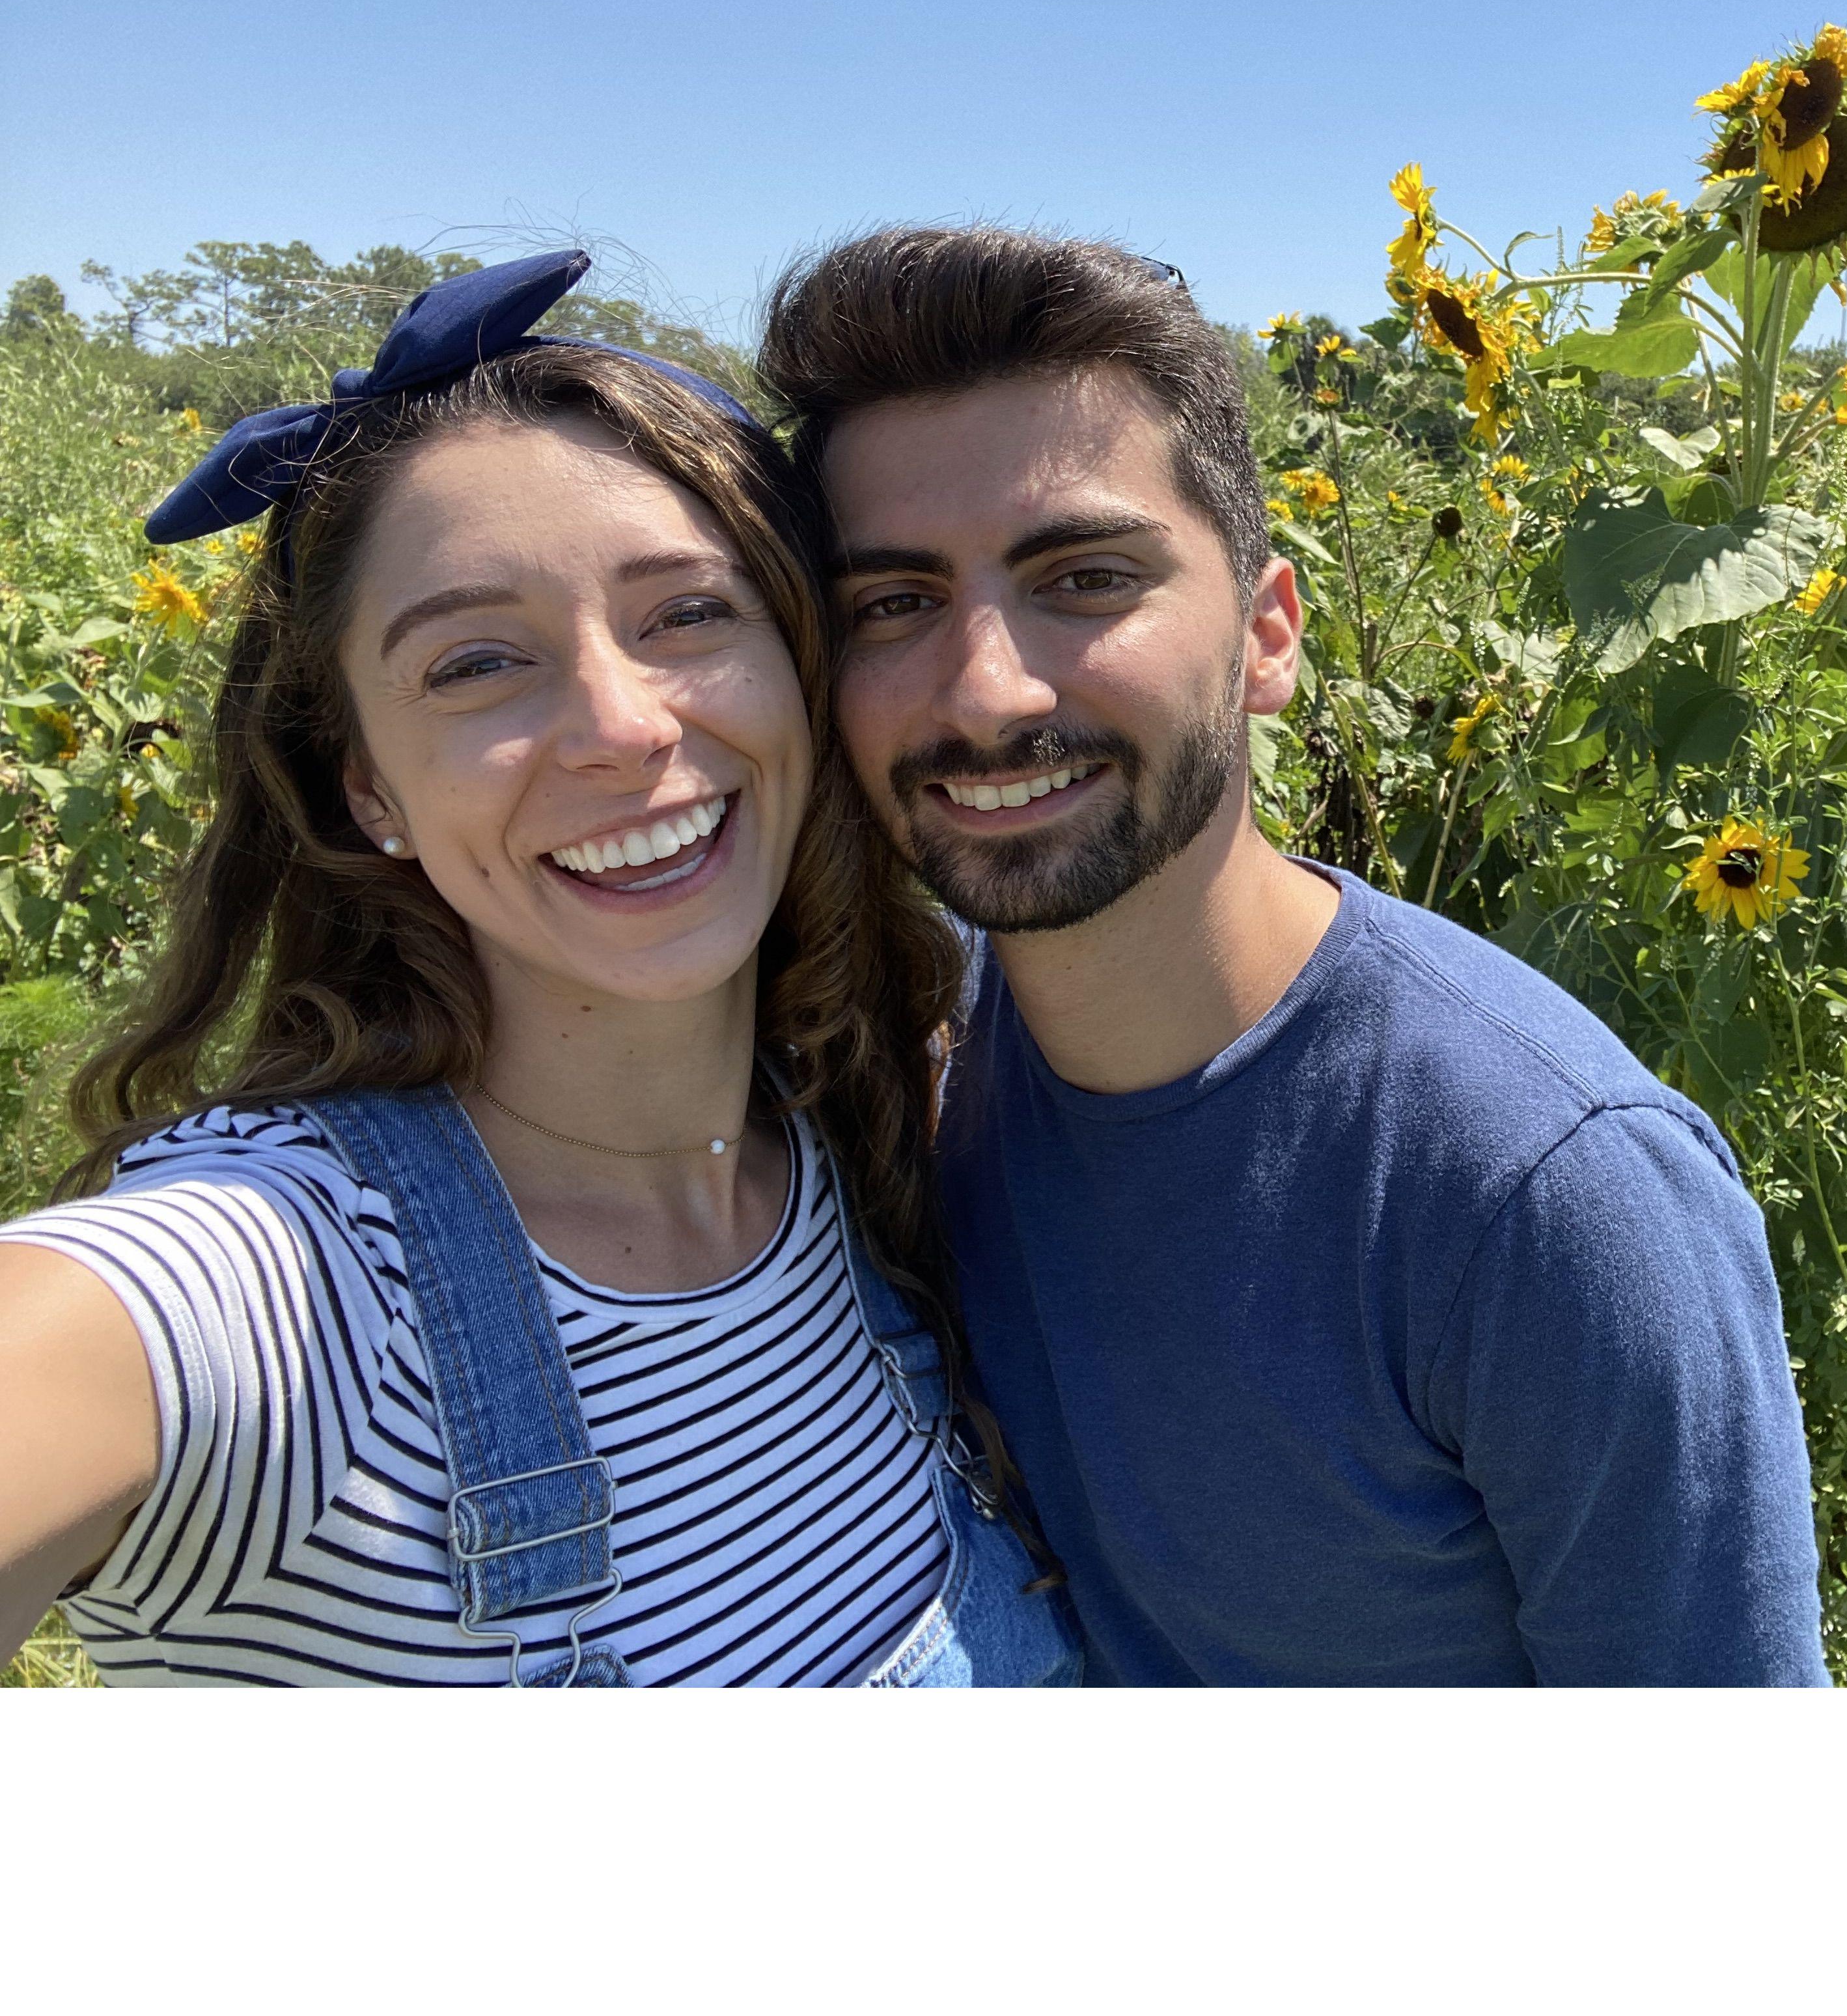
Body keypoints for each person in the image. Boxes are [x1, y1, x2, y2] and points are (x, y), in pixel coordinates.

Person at [757, 225, 1831, 1686]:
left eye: (1083, 579)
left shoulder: (1541, 1201)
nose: (988, 690)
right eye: (893, 604)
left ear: (1266, 638)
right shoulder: (917, 1038)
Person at [0, 251, 1077, 1688]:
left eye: (688, 614)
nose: (618, 727)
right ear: (369, 786)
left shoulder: (865, 1127)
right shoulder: (277, 1286)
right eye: (473, 665)